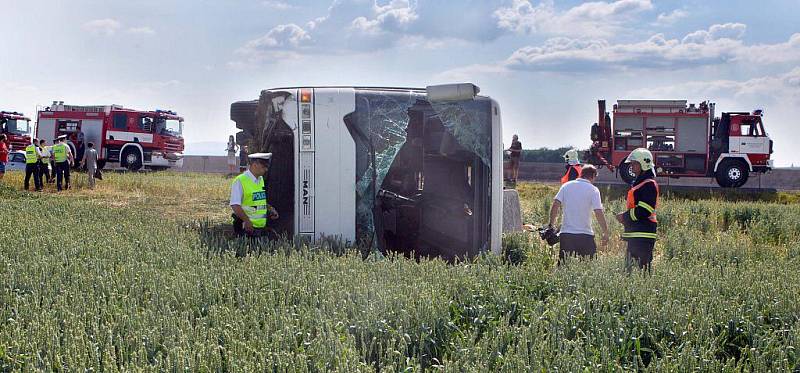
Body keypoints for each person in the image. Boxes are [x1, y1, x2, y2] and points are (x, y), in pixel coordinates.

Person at [548, 164, 609, 262]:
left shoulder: (566, 186)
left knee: (564, 267)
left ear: (581, 174)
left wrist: (551, 224)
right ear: (593, 176)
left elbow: (555, 205)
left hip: (566, 234)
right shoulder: (593, 190)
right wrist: (605, 231)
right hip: (585, 235)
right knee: (589, 267)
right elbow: (598, 212)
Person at [615, 148, 659, 273]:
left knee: (643, 272)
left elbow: (644, 211)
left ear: (643, 164)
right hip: (636, 234)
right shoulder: (641, 183)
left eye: (634, 163)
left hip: (643, 234)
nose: (631, 166)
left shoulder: (648, 184)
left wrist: (625, 217)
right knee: (628, 272)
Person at [230, 152, 279, 237]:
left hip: (260, 228)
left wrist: (270, 209)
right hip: (247, 229)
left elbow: (257, 201)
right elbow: (235, 205)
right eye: (264, 167)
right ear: (255, 164)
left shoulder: (260, 180)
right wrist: (247, 221)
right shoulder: (240, 181)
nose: (266, 170)